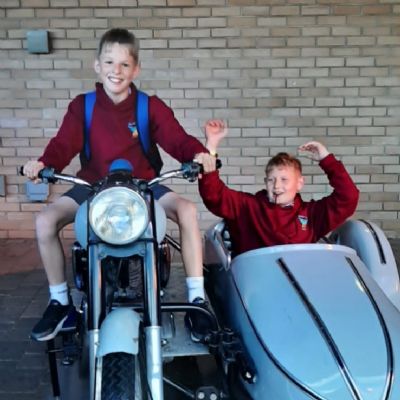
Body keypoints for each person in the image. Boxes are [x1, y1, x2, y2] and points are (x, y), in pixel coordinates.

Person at [23, 28, 212, 343]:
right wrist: (43, 164)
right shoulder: (83, 106)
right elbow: (63, 144)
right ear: (97, 65)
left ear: (136, 69)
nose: (117, 70)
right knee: (45, 221)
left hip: (144, 185)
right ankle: (60, 302)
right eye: (110, 62)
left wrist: (197, 154)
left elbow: (177, 138)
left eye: (125, 64)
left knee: (188, 210)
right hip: (92, 185)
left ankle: (196, 298)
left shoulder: (149, 106)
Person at [197, 120, 360, 255]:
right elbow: (214, 195)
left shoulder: (312, 215)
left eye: (284, 180)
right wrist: (211, 146)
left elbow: (349, 197)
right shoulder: (247, 207)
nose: (276, 186)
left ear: (299, 183)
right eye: (271, 180)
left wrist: (326, 159)